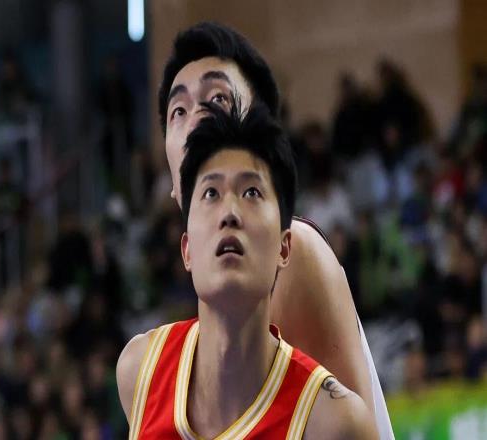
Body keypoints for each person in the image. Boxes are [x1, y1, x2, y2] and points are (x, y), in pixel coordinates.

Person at [126, 22, 392, 438]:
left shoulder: (296, 256)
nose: (196, 121)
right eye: (179, 111)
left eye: (217, 99)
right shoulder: (148, 362)